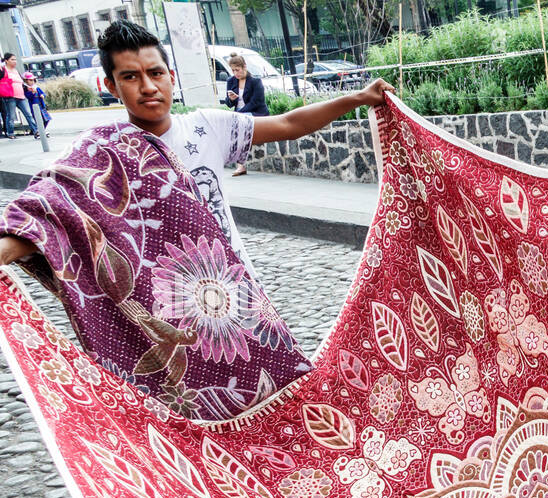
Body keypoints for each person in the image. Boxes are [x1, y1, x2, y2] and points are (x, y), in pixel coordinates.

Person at [0, 21, 394, 417]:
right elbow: (54, 215)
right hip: (162, 314)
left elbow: (291, 124)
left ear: (171, 77)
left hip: (235, 295)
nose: (148, 87)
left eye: (155, 74)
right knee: (192, 414)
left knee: (276, 397)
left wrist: (358, 98)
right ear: (110, 86)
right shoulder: (101, 154)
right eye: (130, 77)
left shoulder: (206, 127)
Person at [225, 53, 268, 176]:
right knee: (235, 131)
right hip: (240, 115)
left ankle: (240, 165)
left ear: (244, 67)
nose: (235, 73)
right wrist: (231, 99)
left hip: (255, 113)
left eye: (237, 70)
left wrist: (239, 114)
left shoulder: (255, 81)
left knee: (238, 128)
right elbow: (228, 103)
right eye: (233, 71)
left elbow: (256, 102)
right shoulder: (231, 81)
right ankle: (240, 165)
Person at [0, 53, 38, 140]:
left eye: (15, 59)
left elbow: (21, 83)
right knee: (11, 116)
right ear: (6, 61)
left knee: (28, 114)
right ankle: (10, 132)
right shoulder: (3, 70)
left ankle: (36, 130)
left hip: (21, 96)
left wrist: (28, 88)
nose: (14, 61)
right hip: (10, 96)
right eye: (12, 60)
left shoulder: (16, 71)